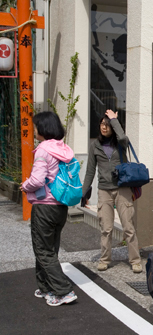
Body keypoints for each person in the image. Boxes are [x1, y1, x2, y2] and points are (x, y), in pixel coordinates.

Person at [20, 111, 78, 307]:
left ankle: (63, 291)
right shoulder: (64, 149)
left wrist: (25, 186)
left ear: (43, 129)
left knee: (43, 250)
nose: (35, 130)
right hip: (60, 206)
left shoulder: (44, 150)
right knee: (49, 248)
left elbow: (37, 180)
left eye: (36, 127)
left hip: (44, 206)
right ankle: (45, 286)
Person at [82, 109, 142, 274]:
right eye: (103, 123)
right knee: (106, 228)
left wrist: (114, 119)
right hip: (104, 190)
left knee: (128, 227)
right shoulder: (94, 145)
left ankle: (135, 261)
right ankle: (104, 259)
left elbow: (123, 137)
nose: (104, 127)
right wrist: (84, 192)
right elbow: (89, 171)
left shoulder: (120, 143)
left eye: (108, 124)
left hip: (122, 188)